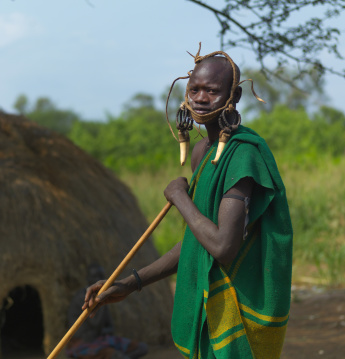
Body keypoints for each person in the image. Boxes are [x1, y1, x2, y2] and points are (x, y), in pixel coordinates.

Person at [83, 48, 293, 359]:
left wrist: (180, 198)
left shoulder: (243, 154)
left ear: (233, 96)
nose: (200, 98)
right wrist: (130, 283)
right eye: (194, 89)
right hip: (212, 309)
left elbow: (222, 246)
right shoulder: (201, 154)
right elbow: (199, 241)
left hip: (241, 308)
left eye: (212, 90)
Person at [66, 264, 149, 359]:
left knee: (141, 348)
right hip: (84, 342)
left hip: (103, 339)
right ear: (88, 279)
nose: (98, 279)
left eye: (101, 276)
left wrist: (105, 332)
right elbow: (96, 324)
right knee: (115, 355)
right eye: (95, 277)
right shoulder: (83, 298)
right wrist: (100, 301)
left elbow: (110, 326)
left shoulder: (102, 296)